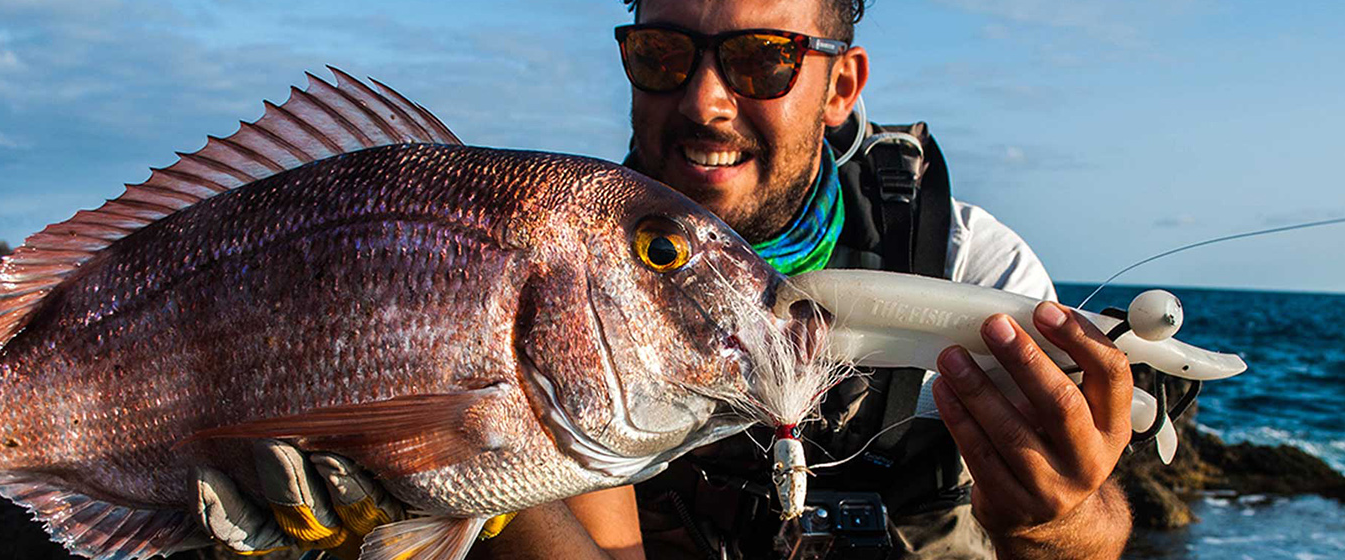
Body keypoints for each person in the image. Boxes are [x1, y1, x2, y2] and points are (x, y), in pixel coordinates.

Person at [196, 1, 1135, 558]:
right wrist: (459, 483)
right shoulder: (565, 261)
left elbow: (1085, 546)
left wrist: (1061, 511)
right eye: (661, 54)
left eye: (764, 58)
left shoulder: (975, 268)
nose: (703, 99)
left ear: (842, 85)